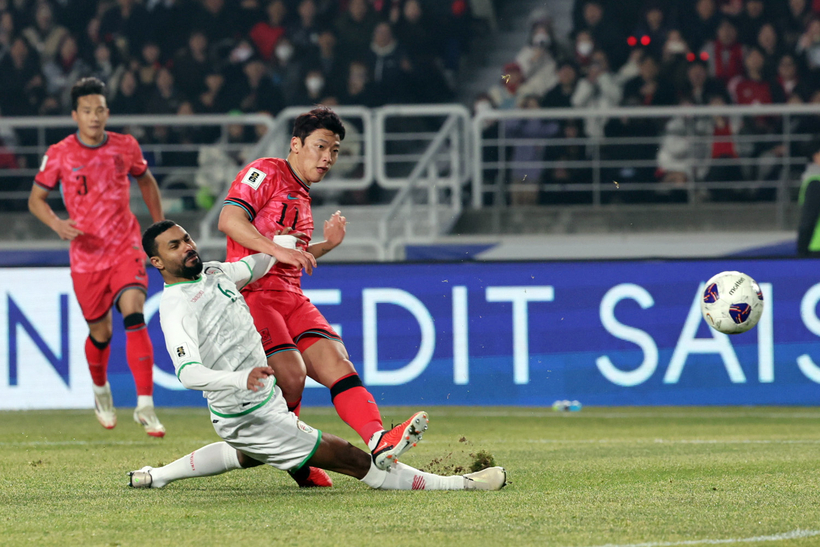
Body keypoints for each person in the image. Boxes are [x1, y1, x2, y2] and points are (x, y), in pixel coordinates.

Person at [129, 220, 506, 492]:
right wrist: (237, 379)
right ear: (157, 262)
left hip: (257, 403)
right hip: (248, 410)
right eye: (174, 246)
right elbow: (188, 373)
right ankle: (459, 484)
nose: (187, 247)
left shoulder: (213, 273)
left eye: (187, 238)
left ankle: (157, 475)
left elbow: (262, 261)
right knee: (354, 460)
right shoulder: (176, 306)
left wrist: (301, 242)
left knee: (245, 455)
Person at [217, 107, 434, 486]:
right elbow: (230, 221)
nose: (327, 158)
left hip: (290, 294)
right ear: (296, 144)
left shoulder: (302, 193)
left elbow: (292, 256)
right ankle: (298, 463)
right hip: (253, 293)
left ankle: (378, 440)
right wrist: (279, 250)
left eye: (334, 151)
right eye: (320, 147)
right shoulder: (265, 171)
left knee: (338, 363)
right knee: (292, 376)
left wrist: (326, 246)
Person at [28, 77, 165, 437]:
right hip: (87, 257)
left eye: (100, 110)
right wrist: (57, 225)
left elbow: (146, 180)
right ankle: (101, 390)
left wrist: (159, 225)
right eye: (87, 111)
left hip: (125, 246)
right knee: (100, 332)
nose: (94, 117)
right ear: (75, 115)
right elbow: (35, 200)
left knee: (134, 310)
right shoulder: (59, 153)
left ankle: (146, 405)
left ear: (107, 112)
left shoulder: (125, 146)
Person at [797, 138, 820, 258]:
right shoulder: (815, 182)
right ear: (815, 156)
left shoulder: (815, 181)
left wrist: (801, 251)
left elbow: (808, 220)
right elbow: (809, 219)